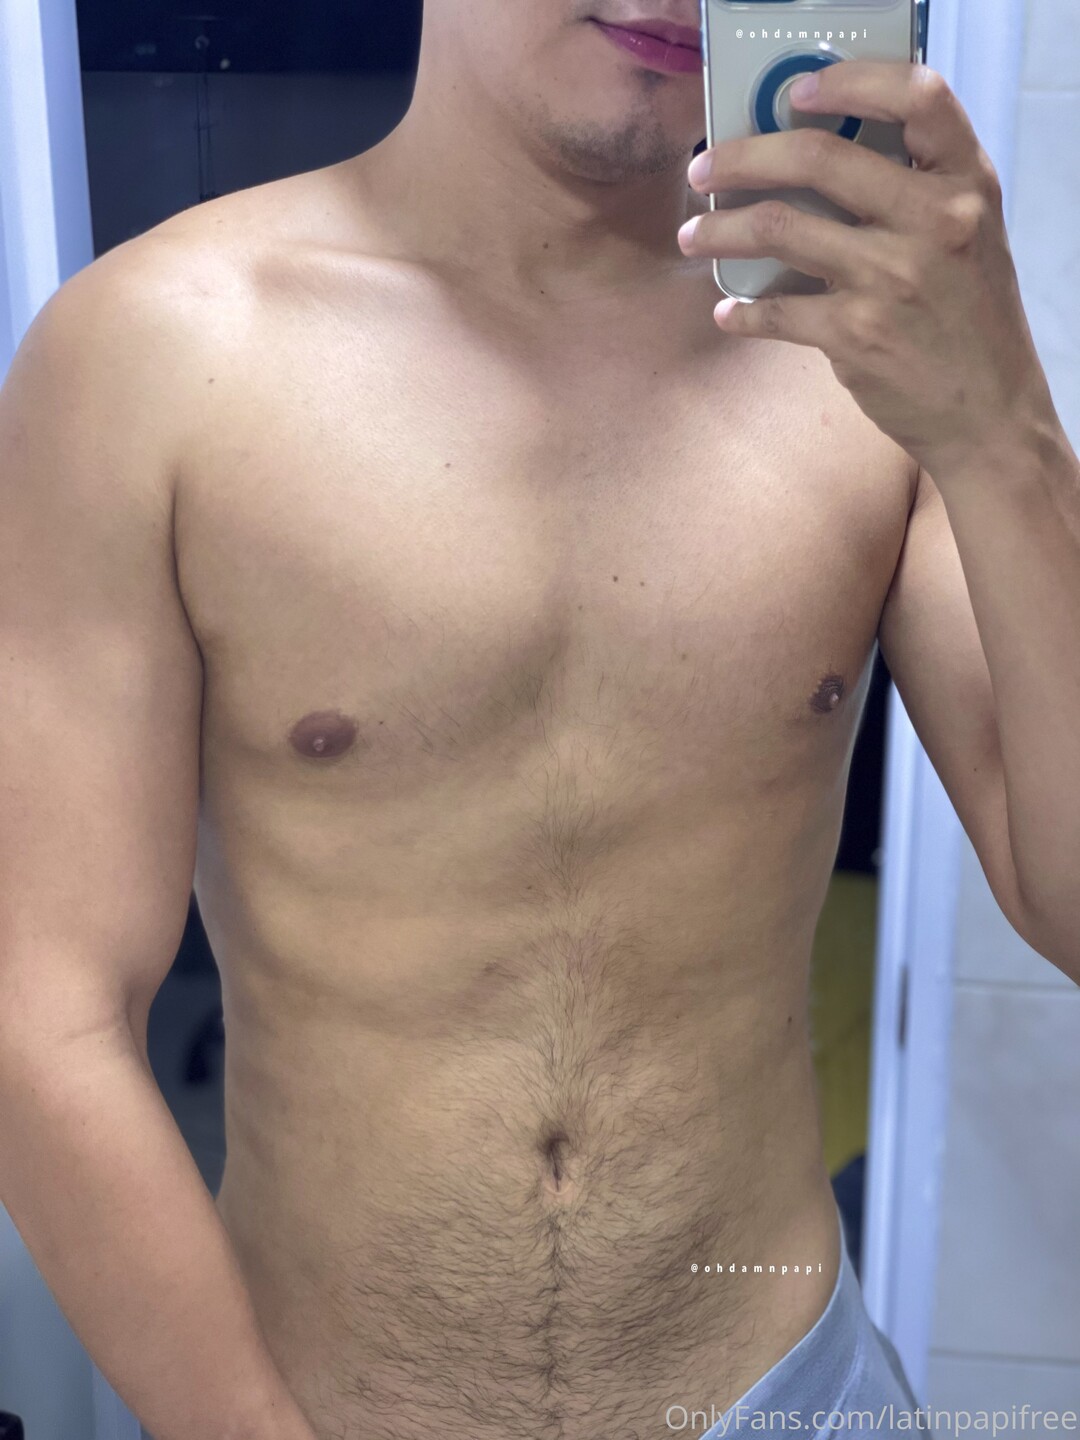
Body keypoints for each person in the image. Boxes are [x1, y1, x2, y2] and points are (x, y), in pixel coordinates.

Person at [4, 3, 1076, 1438]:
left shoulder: (873, 361)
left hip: (787, 1398)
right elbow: (44, 1012)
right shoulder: (155, 351)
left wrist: (1007, 432)